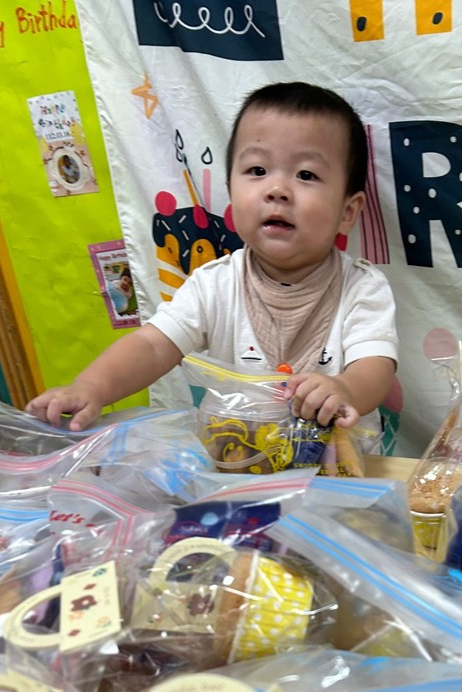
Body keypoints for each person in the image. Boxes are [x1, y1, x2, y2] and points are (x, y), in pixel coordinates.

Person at [26, 81, 399, 434]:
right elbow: (153, 346)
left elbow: (375, 367)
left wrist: (346, 389)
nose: (277, 190)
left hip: (338, 467)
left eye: (306, 174)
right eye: (257, 170)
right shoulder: (214, 284)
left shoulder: (362, 288)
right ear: (231, 193)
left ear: (347, 212)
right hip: (233, 463)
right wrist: (92, 387)